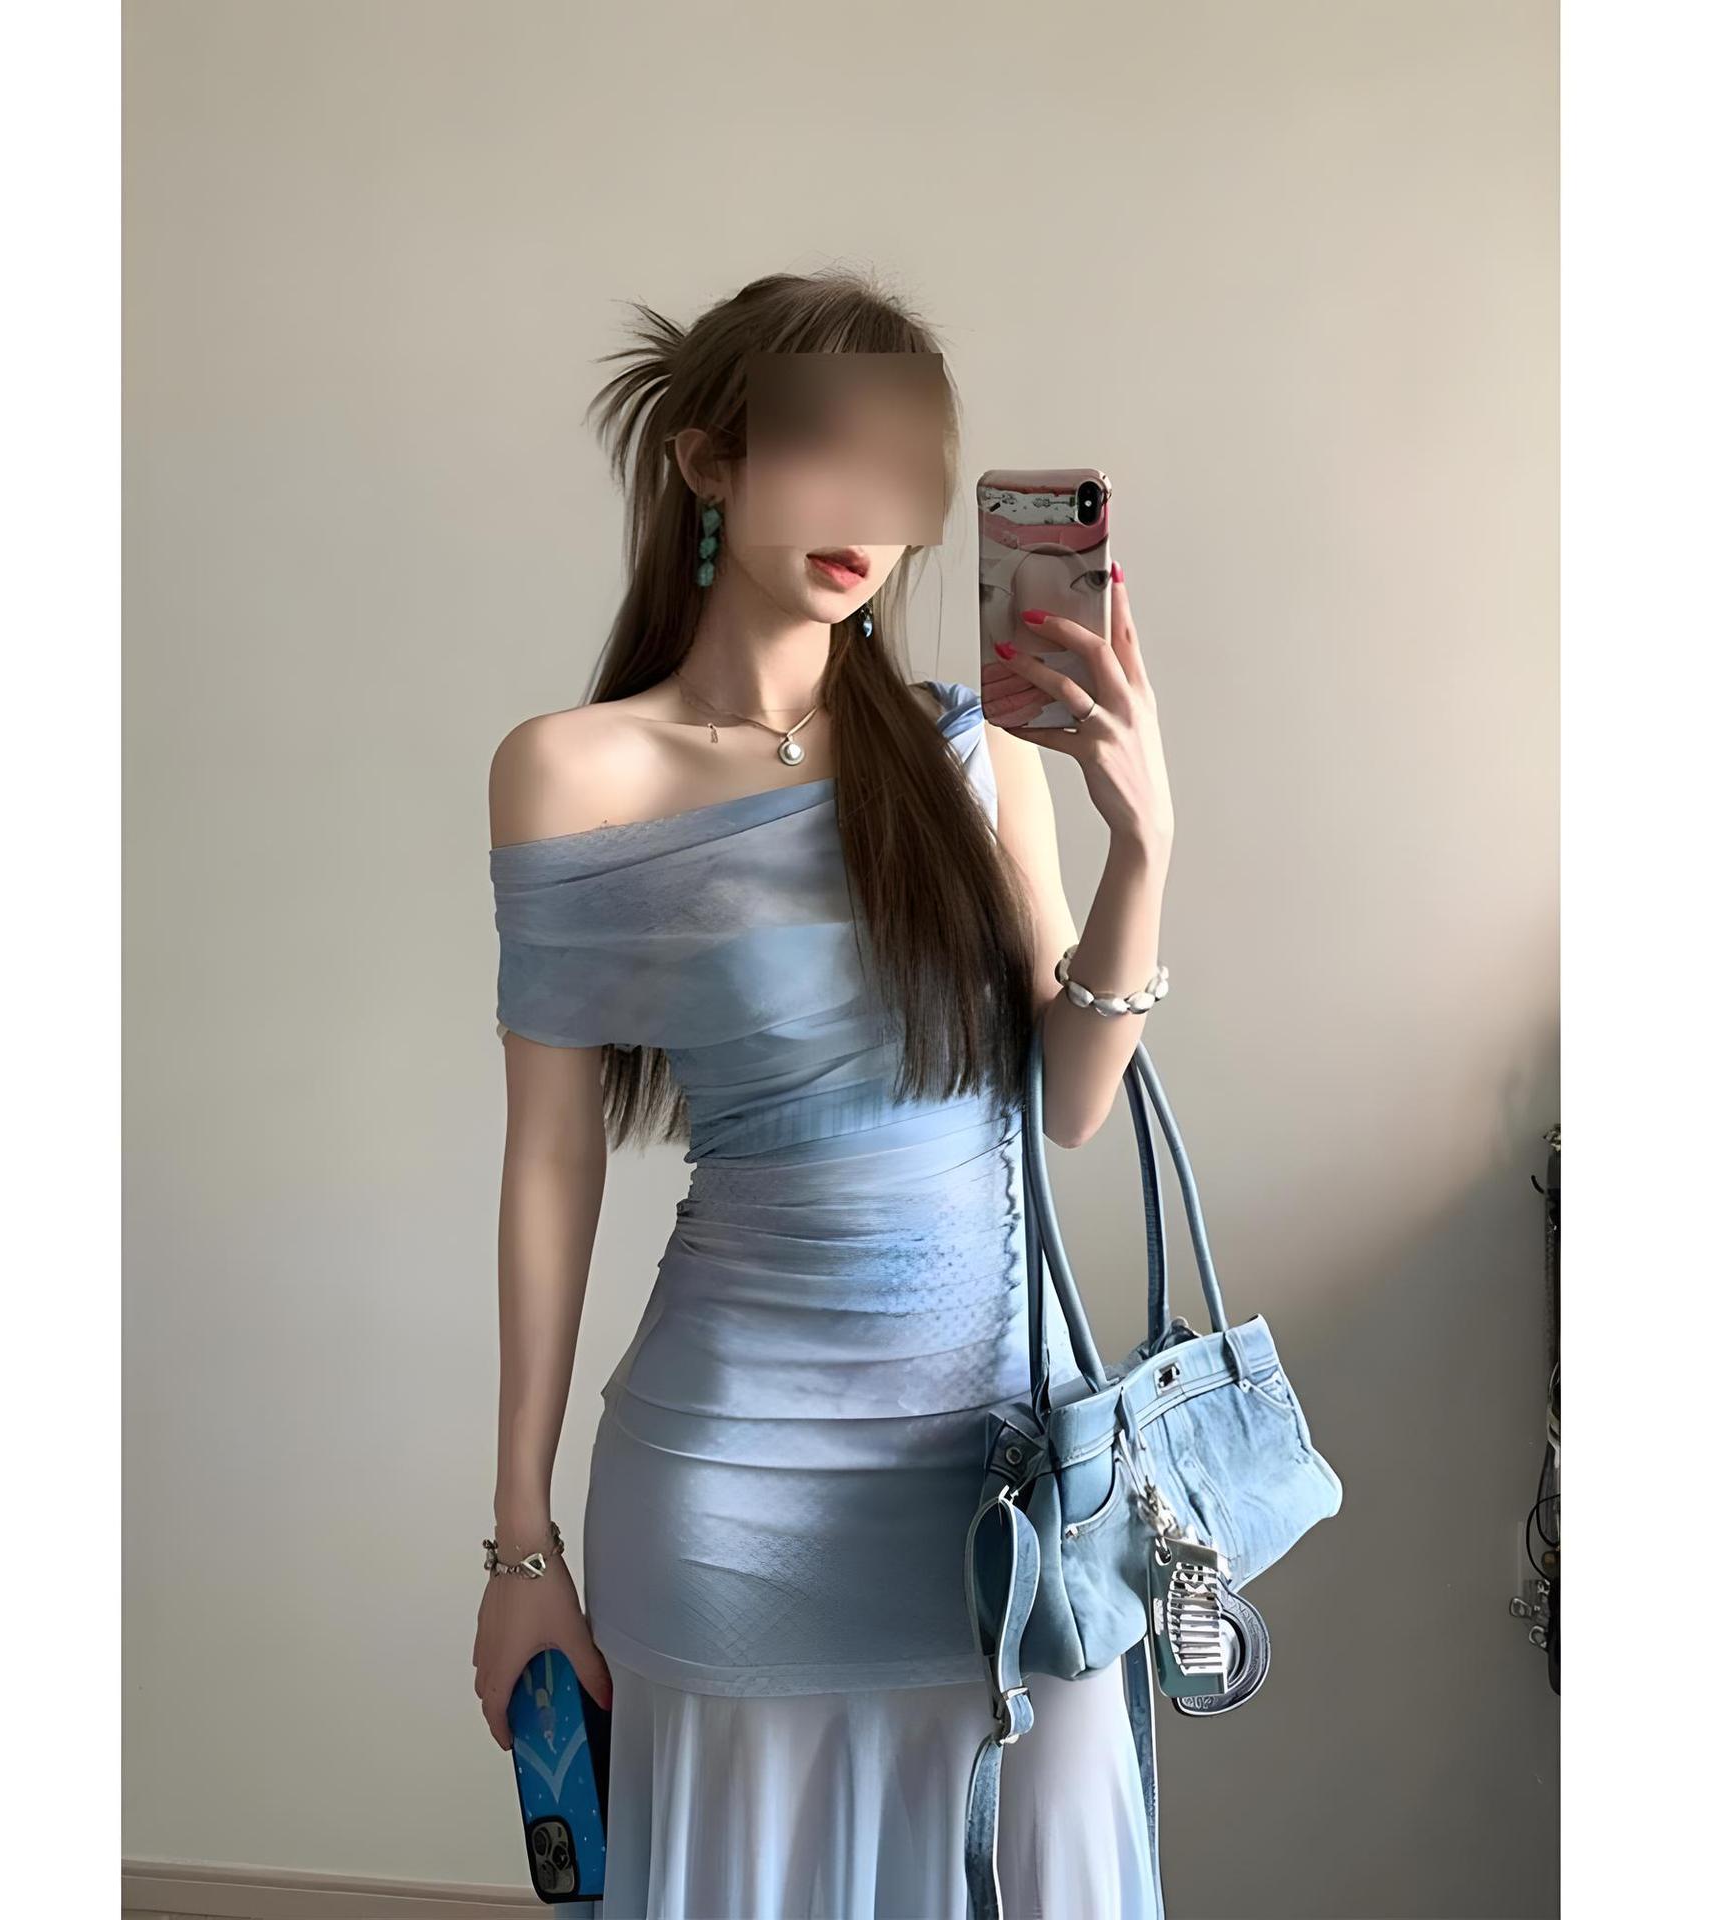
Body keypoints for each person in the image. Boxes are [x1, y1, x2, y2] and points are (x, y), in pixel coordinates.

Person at [474, 269, 1175, 1919]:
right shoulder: (574, 771)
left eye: (902, 471)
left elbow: (1070, 1101)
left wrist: (1144, 844)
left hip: (1008, 1489)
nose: (867, 513)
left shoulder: (974, 752)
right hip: (732, 1489)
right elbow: (551, 1162)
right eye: (824, 454)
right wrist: (522, 1543)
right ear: (710, 462)